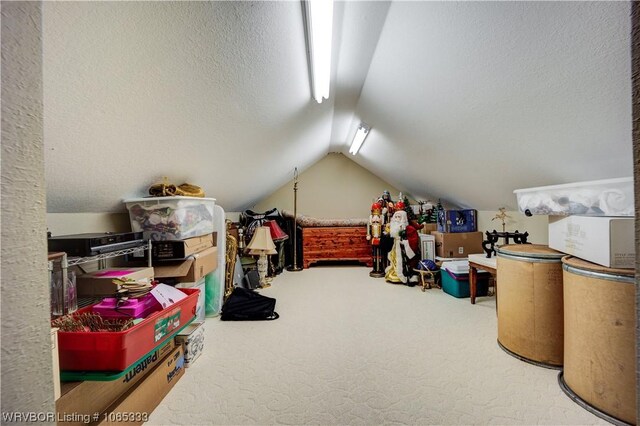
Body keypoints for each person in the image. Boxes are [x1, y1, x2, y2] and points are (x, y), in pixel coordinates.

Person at [385, 202, 421, 285]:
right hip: (395, 245)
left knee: (402, 261)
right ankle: (393, 273)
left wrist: (405, 242)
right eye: (396, 216)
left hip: (403, 247)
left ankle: (403, 275)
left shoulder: (409, 228)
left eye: (399, 217)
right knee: (394, 259)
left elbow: (413, 241)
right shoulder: (394, 226)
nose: (397, 218)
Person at [366, 202, 385, 277]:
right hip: (373, 239)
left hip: (380, 239)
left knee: (380, 254)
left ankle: (380, 268)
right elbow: (369, 228)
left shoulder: (382, 218)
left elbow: (384, 229)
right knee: (374, 254)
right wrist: (368, 235)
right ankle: (374, 268)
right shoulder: (371, 218)